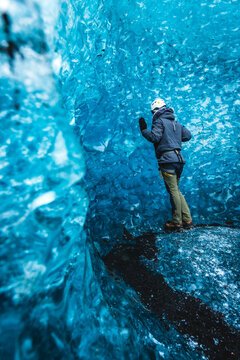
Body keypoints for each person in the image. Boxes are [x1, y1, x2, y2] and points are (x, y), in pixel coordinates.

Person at [139, 98, 192, 231]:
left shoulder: (159, 121)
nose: (152, 115)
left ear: (156, 111)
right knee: (176, 190)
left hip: (167, 160)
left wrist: (144, 130)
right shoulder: (176, 123)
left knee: (173, 191)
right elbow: (188, 136)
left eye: (152, 113)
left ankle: (176, 222)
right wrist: (177, 130)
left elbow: (154, 138)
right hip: (179, 160)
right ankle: (187, 219)